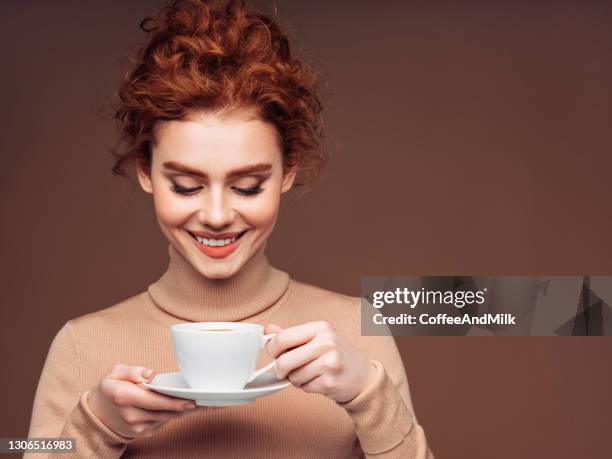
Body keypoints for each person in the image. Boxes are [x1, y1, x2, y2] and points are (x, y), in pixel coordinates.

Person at [26, 0, 434, 457]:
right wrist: (94, 426)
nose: (217, 215)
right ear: (145, 171)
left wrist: (370, 396)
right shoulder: (82, 343)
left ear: (287, 171)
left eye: (246, 186)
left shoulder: (360, 335)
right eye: (185, 186)